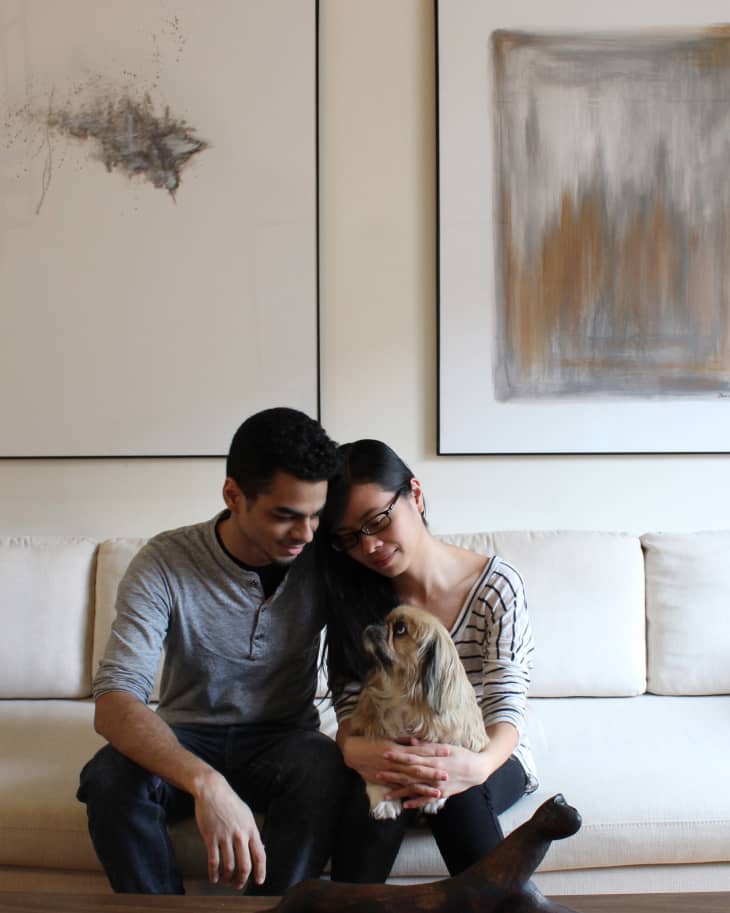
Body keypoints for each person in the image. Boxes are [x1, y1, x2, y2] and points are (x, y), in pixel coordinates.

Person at [77, 407, 348, 895]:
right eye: (286, 515)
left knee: (324, 766)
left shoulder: (326, 557)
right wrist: (206, 783)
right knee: (109, 777)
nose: (306, 535)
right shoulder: (165, 561)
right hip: (188, 735)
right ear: (233, 495)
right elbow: (115, 699)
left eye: (315, 516)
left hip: (285, 739)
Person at [317, 439, 537, 883]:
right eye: (349, 538)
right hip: (388, 749)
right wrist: (364, 754)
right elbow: (350, 711)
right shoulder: (353, 598)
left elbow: (506, 708)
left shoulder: (496, 586)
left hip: (484, 754)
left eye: (377, 521)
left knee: (456, 792)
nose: (370, 546)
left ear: (414, 494)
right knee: (378, 802)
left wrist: (472, 766)